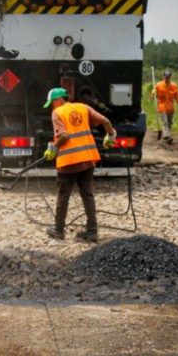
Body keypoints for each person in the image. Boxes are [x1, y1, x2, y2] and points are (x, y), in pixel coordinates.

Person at [42, 87, 116, 242]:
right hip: (87, 160)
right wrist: (110, 136)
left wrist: (54, 149)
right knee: (87, 195)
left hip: (69, 162)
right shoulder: (83, 107)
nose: (52, 106)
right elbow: (106, 121)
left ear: (58, 100)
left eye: (52, 103)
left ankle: (58, 230)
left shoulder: (58, 113)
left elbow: (64, 135)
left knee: (63, 196)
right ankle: (92, 232)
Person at [151, 69, 178, 144]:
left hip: (170, 108)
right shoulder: (159, 85)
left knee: (169, 123)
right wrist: (153, 93)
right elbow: (153, 97)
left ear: (170, 77)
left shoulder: (174, 86)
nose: (167, 78)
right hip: (162, 107)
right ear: (163, 76)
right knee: (165, 122)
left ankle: (166, 138)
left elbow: (177, 95)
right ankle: (167, 136)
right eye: (166, 77)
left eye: (168, 77)